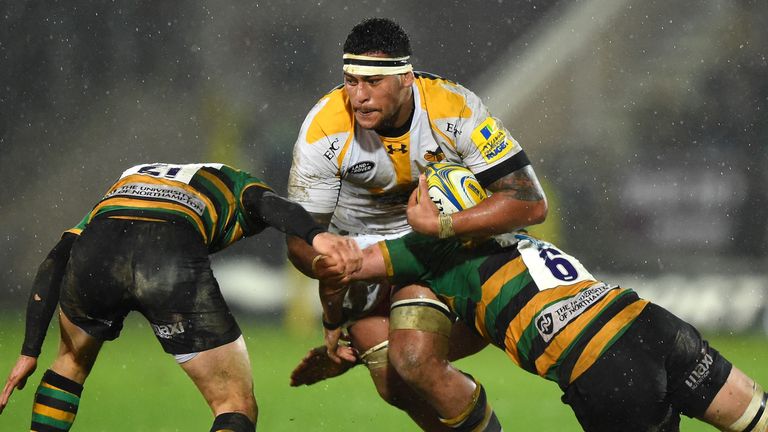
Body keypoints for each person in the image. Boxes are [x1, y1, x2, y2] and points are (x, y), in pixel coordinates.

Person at [312, 190, 768, 432]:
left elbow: (344, 267)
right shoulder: (518, 234)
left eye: (423, 196)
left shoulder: (429, 248)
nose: (414, 200)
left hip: (602, 367)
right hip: (653, 324)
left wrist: (334, 317)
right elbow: (490, 329)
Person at [286, 17, 547, 431]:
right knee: (396, 385)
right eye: (352, 81)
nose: (359, 96)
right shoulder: (324, 130)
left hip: (439, 250)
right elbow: (301, 240)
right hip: (362, 260)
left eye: (373, 82)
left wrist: (443, 227)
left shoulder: (453, 107)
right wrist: (326, 267)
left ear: (406, 78)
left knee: (412, 361)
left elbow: (530, 203)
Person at [0, 162, 362, 432]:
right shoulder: (238, 185)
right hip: (167, 254)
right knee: (233, 402)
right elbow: (273, 207)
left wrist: (30, 351)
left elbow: (61, 253)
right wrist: (318, 237)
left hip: (100, 249)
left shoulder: (131, 179)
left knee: (70, 363)